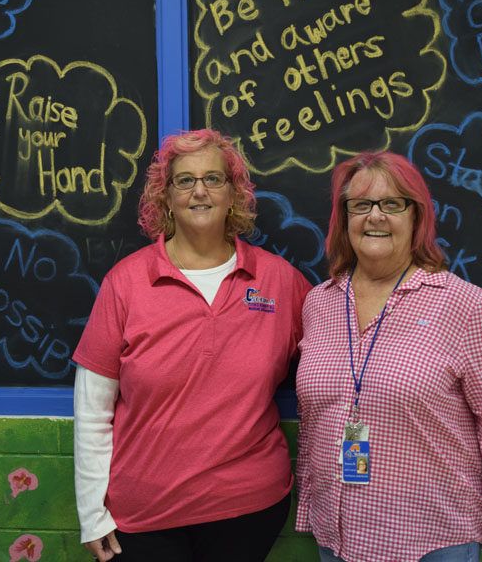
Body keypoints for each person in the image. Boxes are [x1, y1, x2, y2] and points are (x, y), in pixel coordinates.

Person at [72, 128, 312, 561]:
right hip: (144, 517)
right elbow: (93, 409)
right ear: (164, 197)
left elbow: (336, 357)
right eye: (184, 180)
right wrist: (91, 511)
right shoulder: (126, 282)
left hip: (247, 509)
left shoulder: (280, 281)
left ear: (234, 193)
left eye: (214, 179)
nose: (199, 191)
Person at [294, 151, 482, 562]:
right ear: (344, 217)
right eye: (361, 205)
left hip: (433, 542)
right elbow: (313, 421)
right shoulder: (319, 303)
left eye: (392, 204)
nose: (375, 217)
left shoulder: (465, 306)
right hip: (337, 537)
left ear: (417, 216)